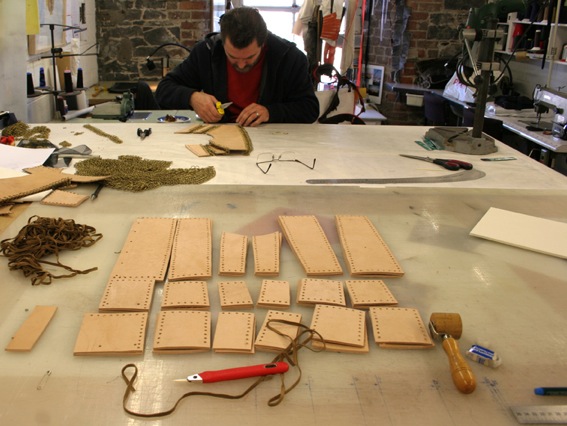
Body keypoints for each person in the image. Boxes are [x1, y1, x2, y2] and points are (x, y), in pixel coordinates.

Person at [155, 7, 319, 127]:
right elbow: (164, 90)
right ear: (222, 42)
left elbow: (309, 109)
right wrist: (192, 97)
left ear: (263, 43)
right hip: (220, 135)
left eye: (249, 57)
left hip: (271, 140)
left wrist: (270, 112)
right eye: (232, 57)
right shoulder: (207, 52)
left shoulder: (289, 57)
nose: (241, 65)